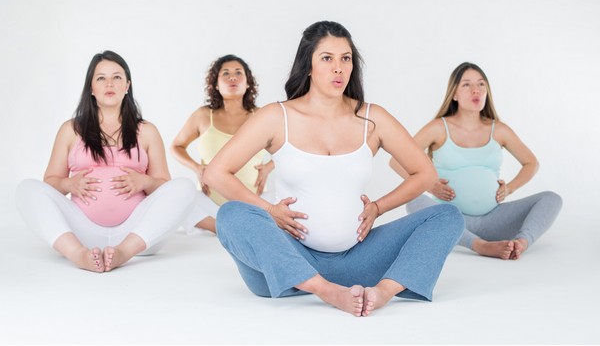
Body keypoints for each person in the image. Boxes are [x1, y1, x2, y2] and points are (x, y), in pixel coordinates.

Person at [203, 21, 464, 317]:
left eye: (346, 58)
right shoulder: (277, 116)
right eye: (327, 58)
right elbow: (216, 173)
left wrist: (378, 207)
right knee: (230, 215)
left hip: (357, 261)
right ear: (309, 65)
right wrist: (269, 210)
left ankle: (384, 291)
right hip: (285, 263)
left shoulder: (372, 118)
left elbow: (425, 174)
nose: (338, 68)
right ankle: (325, 290)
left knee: (447, 216)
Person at [15, 50, 196, 273]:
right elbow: (49, 183)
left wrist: (145, 182)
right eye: (101, 78)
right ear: (91, 87)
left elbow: (165, 188)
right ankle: (78, 254)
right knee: (27, 189)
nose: (109, 83)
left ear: (127, 85)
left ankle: (123, 253)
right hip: (82, 232)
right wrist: (68, 185)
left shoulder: (147, 131)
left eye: (117, 77)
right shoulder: (71, 130)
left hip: (137, 233)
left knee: (186, 187)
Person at [390, 62, 562, 260]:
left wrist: (510, 188)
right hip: (451, 219)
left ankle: (520, 243)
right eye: (466, 85)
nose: (476, 90)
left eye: (481, 84)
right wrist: (430, 186)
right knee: (413, 199)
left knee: (552, 198)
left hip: (494, 220)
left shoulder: (499, 129)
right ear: (454, 94)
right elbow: (397, 160)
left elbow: (531, 163)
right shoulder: (438, 128)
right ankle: (479, 245)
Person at [170, 54, 274, 234]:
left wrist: (269, 167)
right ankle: (226, 228)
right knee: (178, 197)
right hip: (211, 207)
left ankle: (238, 226)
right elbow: (176, 147)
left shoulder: (261, 116)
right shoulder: (203, 115)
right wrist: (197, 168)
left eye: (238, 73)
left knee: (292, 196)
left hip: (253, 205)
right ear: (216, 84)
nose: (232, 77)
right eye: (225, 73)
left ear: (248, 82)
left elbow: (290, 147)